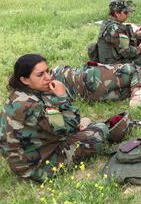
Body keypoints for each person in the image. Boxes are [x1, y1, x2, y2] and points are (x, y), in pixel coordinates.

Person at [0, 54, 109, 182]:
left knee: (82, 123)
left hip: (23, 161)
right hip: (38, 168)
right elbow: (69, 129)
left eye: (47, 71)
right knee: (100, 130)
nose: (48, 77)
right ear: (25, 80)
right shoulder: (32, 106)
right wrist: (62, 97)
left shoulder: (17, 95)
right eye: (40, 75)